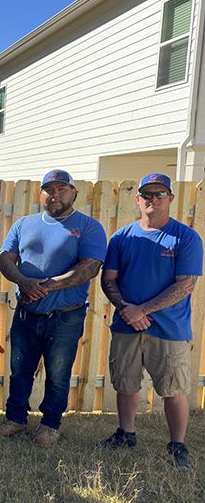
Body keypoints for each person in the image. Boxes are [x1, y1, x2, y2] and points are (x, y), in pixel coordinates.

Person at [0, 169, 107, 444]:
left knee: (58, 372)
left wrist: (45, 286)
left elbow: (89, 267)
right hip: (26, 313)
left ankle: (50, 424)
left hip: (65, 316)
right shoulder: (24, 224)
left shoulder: (89, 227)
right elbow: (6, 260)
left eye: (62, 189)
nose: (55, 194)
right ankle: (15, 419)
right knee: (20, 370)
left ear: (74, 193)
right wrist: (24, 281)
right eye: (49, 189)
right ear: (40, 193)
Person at [99, 173, 202, 468]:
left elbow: (185, 285)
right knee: (126, 383)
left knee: (173, 388)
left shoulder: (185, 237)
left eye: (159, 194)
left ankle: (177, 445)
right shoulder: (122, 237)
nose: (153, 199)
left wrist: (142, 310)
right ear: (138, 200)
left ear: (170, 199)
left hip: (169, 329)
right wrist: (126, 308)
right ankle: (125, 434)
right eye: (147, 194)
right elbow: (109, 281)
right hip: (126, 325)